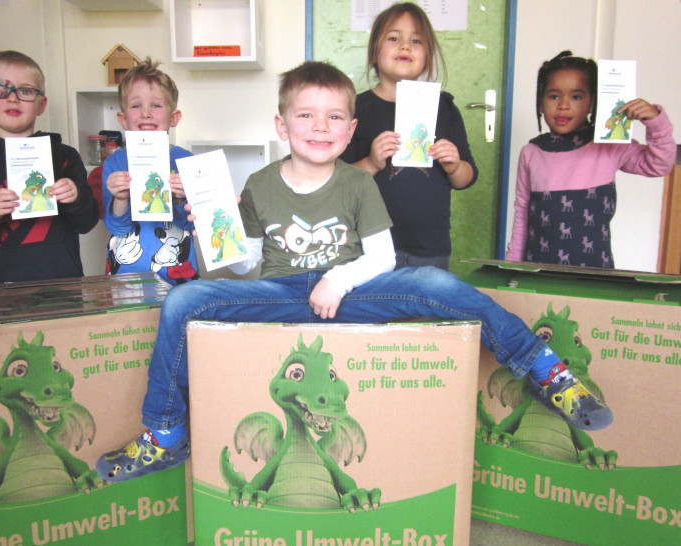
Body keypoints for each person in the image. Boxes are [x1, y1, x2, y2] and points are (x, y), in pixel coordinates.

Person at [96, 61, 613, 484]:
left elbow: (382, 257)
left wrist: (337, 279)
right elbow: (245, 262)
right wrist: (216, 227)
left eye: (333, 118)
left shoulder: (358, 184)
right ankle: (164, 435)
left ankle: (547, 370)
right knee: (183, 301)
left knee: (436, 284)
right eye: (305, 116)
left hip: (351, 290)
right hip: (282, 293)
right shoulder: (257, 183)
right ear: (282, 125)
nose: (319, 128)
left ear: (350, 131)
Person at [340, 2, 477, 271]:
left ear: (427, 55)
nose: (405, 46)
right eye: (394, 38)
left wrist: (454, 165)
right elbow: (336, 182)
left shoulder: (444, 108)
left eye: (416, 40)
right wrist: (371, 163)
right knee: (371, 312)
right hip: (366, 250)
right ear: (374, 54)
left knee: (422, 313)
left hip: (429, 247)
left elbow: (466, 178)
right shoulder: (356, 109)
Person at [506, 50, 675, 268]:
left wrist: (655, 121)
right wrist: (511, 266)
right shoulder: (531, 152)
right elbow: (522, 214)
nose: (564, 105)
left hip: (594, 272)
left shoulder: (609, 146)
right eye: (554, 96)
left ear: (592, 104)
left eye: (576, 97)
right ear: (540, 102)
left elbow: (659, 165)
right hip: (537, 271)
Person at [0, 50, 98, 285]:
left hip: (63, 286)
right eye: (0, 89)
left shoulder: (64, 156)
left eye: (26, 91)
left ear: (41, 104)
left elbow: (87, 222)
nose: (13, 98)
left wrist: (76, 197)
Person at [103, 57, 199, 286]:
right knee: (126, 323)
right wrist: (120, 198)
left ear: (173, 117)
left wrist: (179, 198)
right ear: (123, 119)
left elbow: (191, 224)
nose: (146, 113)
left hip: (179, 270)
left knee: (180, 320)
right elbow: (117, 226)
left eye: (156, 105)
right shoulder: (114, 163)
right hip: (126, 271)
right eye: (136, 106)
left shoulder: (186, 161)